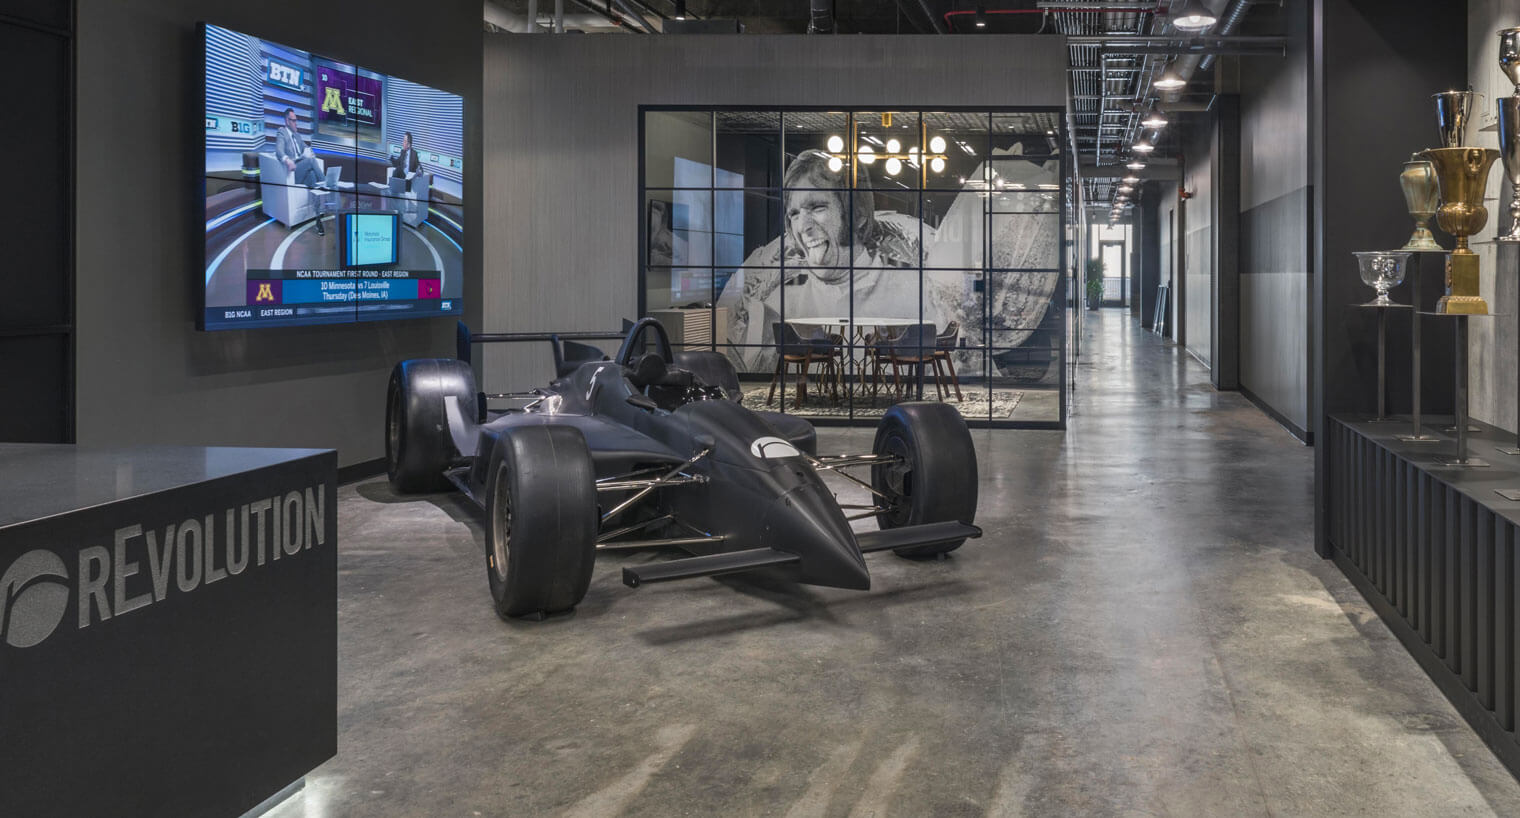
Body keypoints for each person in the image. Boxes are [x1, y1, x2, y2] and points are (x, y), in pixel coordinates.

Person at [716, 149, 924, 373]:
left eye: (816, 207)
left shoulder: (915, 294)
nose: (803, 227)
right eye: (794, 214)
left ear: (859, 214)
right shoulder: (775, 306)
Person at [276, 108, 324, 188]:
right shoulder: (282, 132)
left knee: (312, 176)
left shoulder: (297, 135)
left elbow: (306, 147)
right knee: (311, 161)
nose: (296, 123)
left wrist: (309, 152)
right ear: (287, 121)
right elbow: (279, 150)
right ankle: (327, 184)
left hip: (302, 169)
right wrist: (287, 160)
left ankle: (319, 199)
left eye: (296, 121)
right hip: (293, 172)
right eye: (294, 121)